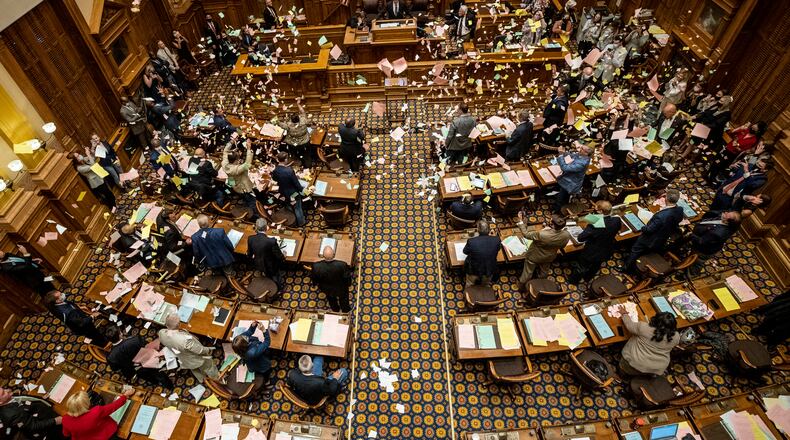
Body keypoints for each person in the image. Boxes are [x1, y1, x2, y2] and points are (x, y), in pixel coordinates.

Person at [623, 189, 684, 272]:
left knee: (636, 250)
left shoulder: (662, 216)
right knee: (644, 251)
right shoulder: (680, 210)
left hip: (650, 239)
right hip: (662, 238)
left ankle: (626, 268)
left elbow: (648, 230)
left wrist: (642, 227)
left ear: (666, 198)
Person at [569, 201, 622, 284]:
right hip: (607, 249)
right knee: (596, 266)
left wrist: (590, 224)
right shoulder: (617, 220)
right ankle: (587, 278)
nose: (594, 209)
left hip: (592, 251)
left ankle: (573, 281)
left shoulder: (595, 224)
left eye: (596, 209)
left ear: (600, 211)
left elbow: (580, 238)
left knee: (582, 267)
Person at [105, 326, 173, 388]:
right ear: (120, 334)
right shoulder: (135, 340)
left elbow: (115, 368)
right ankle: (169, 386)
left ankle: (155, 382)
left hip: (135, 369)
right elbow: (147, 346)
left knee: (146, 376)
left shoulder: (110, 357)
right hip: (148, 360)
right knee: (158, 373)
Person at [515, 213, 570, 290]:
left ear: (553, 225)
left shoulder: (542, 234)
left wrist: (521, 221)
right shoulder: (566, 235)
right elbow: (562, 246)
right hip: (549, 257)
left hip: (534, 256)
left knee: (528, 272)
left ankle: (521, 286)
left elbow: (526, 234)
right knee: (544, 271)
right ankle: (541, 283)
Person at [158, 313, 219, 382]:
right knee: (209, 367)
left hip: (183, 359)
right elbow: (200, 350)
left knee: (194, 369)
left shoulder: (161, 332)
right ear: (179, 324)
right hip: (196, 359)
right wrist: (208, 350)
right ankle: (217, 380)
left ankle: (202, 380)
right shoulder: (184, 340)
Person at [619, 311, 680, 376]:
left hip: (634, 364)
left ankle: (622, 374)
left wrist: (624, 314)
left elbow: (629, 325)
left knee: (624, 369)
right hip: (655, 369)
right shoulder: (676, 336)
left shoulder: (643, 327)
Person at [62, 388, 134, 440]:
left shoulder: (65, 419)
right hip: (108, 436)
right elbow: (114, 406)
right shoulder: (96, 411)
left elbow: (66, 434)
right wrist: (125, 395)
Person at [687, 210, 741, 276]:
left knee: (696, 263)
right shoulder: (726, 221)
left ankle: (690, 276)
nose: (725, 212)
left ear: (728, 221)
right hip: (707, 242)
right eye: (728, 212)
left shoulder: (718, 233)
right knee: (691, 258)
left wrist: (690, 235)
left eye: (727, 214)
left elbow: (701, 241)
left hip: (703, 251)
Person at [232, 321, 274, 391]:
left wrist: (252, 326)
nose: (245, 336)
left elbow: (248, 332)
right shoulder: (252, 352)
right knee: (265, 371)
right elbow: (267, 342)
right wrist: (264, 330)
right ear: (245, 345)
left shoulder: (238, 341)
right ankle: (267, 382)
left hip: (251, 362)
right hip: (261, 365)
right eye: (245, 338)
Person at [311, 246, 353, 313]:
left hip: (326, 288)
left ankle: (335, 309)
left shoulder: (316, 266)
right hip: (341, 287)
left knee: (331, 299)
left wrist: (315, 285)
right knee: (344, 299)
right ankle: (345, 310)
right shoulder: (342, 265)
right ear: (334, 254)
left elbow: (314, 277)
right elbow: (347, 277)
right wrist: (349, 284)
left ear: (322, 256)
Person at [222, 137, 257, 218]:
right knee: (251, 200)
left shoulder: (224, 163)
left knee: (237, 192)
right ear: (236, 160)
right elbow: (247, 164)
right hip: (242, 186)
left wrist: (231, 142)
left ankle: (242, 199)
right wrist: (248, 149)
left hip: (232, 181)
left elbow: (225, 151)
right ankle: (254, 215)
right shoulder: (236, 169)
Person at [247, 218, 286, 291]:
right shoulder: (271, 241)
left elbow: (249, 253)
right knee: (276, 277)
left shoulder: (250, 238)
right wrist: (284, 255)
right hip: (271, 266)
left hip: (258, 264)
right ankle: (279, 289)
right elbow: (279, 256)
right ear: (266, 228)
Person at [462, 220, 502, 286]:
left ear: (478, 230)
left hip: (473, 270)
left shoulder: (471, 241)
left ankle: (468, 294)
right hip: (489, 269)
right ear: (489, 230)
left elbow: (465, 251)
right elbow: (498, 248)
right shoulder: (497, 240)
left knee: (470, 283)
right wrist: (494, 237)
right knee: (486, 284)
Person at [271, 152, 306, 226]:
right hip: (293, 193)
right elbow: (297, 185)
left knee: (289, 204)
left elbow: (274, 178)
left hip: (283, 192)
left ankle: (292, 217)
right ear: (286, 159)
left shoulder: (275, 170)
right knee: (298, 208)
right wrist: (305, 190)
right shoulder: (289, 171)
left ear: (278, 159)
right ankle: (301, 223)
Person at [554, 144, 592, 213]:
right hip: (568, 178)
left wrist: (560, 155)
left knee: (561, 198)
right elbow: (572, 156)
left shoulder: (582, 163)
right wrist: (564, 152)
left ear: (586, 153)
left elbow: (565, 168)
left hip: (571, 184)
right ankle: (564, 206)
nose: (580, 149)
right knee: (564, 196)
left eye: (582, 148)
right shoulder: (582, 155)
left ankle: (558, 212)